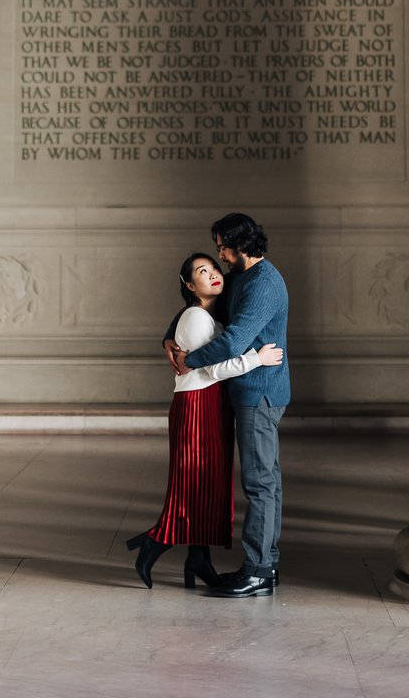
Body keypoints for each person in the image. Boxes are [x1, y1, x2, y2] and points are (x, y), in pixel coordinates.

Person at [126, 252, 283, 590]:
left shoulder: (215, 308)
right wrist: (258, 358)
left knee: (208, 485)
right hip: (197, 405)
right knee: (195, 484)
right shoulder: (196, 317)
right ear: (188, 285)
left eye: (215, 265)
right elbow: (211, 368)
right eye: (203, 271)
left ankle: (199, 559)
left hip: (210, 403)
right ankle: (155, 541)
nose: (215, 271)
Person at [165, 212, 290, 598]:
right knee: (265, 480)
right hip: (246, 390)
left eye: (222, 246)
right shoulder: (239, 278)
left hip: (259, 392)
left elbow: (234, 341)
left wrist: (189, 361)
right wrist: (169, 339)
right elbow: (201, 308)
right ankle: (266, 564)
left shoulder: (264, 284)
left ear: (240, 244)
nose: (219, 253)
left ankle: (257, 570)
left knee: (260, 482)